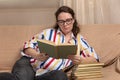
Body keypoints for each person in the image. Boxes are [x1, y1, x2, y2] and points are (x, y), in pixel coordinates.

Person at [0, 6, 99, 80]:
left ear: (73, 20)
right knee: (22, 79)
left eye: (68, 20)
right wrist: (37, 55)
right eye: (61, 21)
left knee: (61, 76)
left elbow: (94, 59)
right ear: (57, 22)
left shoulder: (79, 40)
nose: (65, 24)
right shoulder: (48, 33)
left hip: (47, 74)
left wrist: (81, 60)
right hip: (29, 64)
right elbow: (27, 45)